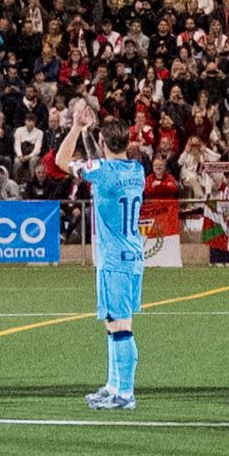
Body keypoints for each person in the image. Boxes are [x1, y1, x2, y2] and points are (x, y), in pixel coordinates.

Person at [55, 102, 154, 408]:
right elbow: (103, 162)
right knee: (113, 322)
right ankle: (113, 386)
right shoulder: (136, 170)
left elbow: (60, 161)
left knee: (121, 325)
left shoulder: (103, 171)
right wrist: (90, 134)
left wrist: (75, 127)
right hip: (131, 255)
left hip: (114, 259)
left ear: (102, 143)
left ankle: (126, 393)